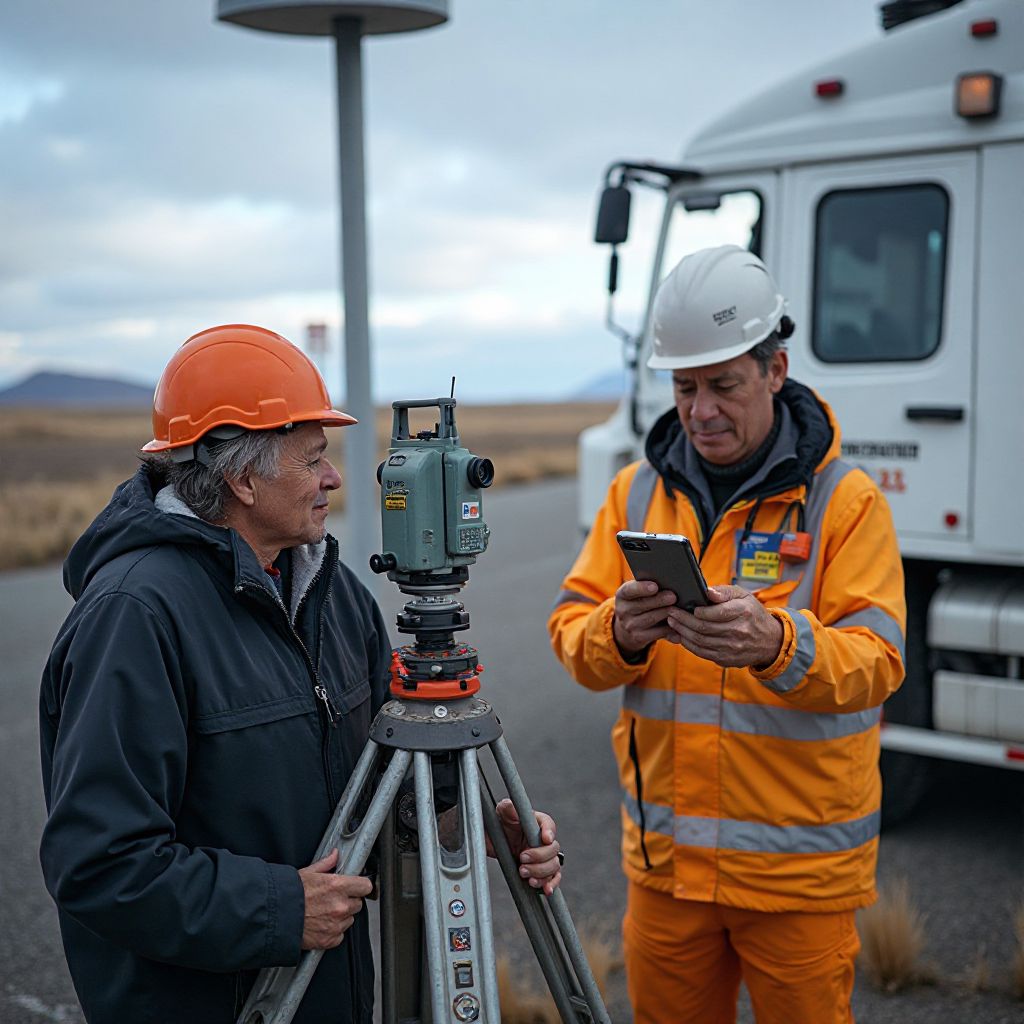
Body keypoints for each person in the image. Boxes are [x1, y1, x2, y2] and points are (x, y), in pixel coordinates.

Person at [39, 324, 562, 1024]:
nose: (335, 477)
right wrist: (281, 909)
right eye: (313, 458)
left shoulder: (330, 592)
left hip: (328, 996)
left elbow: (375, 790)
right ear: (242, 478)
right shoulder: (134, 616)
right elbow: (101, 865)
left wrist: (468, 825)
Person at [548, 246, 906, 1024]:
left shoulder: (845, 502)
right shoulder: (634, 491)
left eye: (723, 385)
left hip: (797, 883)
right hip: (667, 876)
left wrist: (779, 644)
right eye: (684, 388)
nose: (701, 410)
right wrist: (621, 632)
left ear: (775, 370)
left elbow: (879, 663)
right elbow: (573, 637)